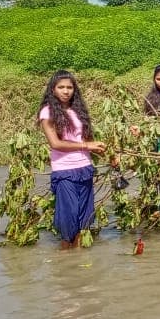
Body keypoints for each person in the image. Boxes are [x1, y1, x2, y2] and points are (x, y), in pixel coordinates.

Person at [37, 70, 106, 248]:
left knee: (84, 219)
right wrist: (87, 146)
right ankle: (64, 264)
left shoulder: (77, 110)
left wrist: (107, 154)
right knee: (69, 219)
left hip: (85, 168)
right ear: (53, 90)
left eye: (69, 87)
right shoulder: (48, 112)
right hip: (64, 170)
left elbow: (83, 139)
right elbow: (55, 144)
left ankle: (77, 265)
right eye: (61, 87)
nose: (66, 91)